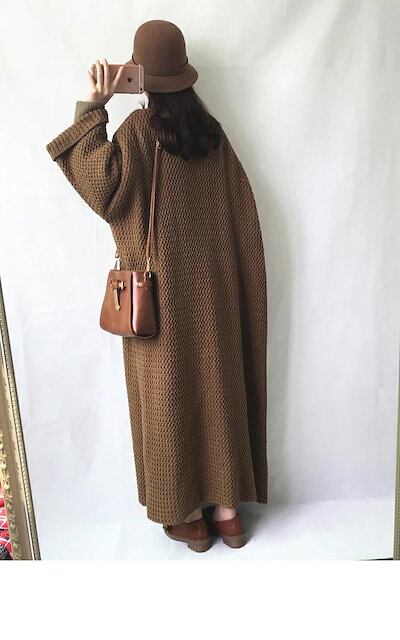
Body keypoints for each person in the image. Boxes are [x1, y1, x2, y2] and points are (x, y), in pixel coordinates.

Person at [46, 19, 268, 553]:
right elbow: (242, 214)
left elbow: (101, 186)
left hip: (158, 301)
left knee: (169, 400)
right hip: (215, 298)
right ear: (185, 73)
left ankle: (189, 519)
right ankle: (228, 514)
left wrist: (93, 108)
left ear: (138, 75)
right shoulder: (212, 134)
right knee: (217, 393)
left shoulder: (136, 133)